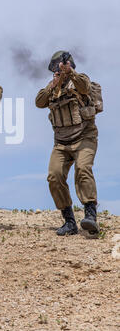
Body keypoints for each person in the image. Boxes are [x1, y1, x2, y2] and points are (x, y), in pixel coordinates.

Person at [35, 51, 100, 236]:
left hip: (84, 137)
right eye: (56, 66)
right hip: (61, 142)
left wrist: (70, 72)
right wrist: (52, 85)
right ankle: (69, 221)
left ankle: (90, 216)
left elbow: (85, 87)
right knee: (54, 176)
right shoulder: (52, 87)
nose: (59, 68)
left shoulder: (79, 80)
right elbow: (39, 102)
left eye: (61, 65)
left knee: (83, 169)